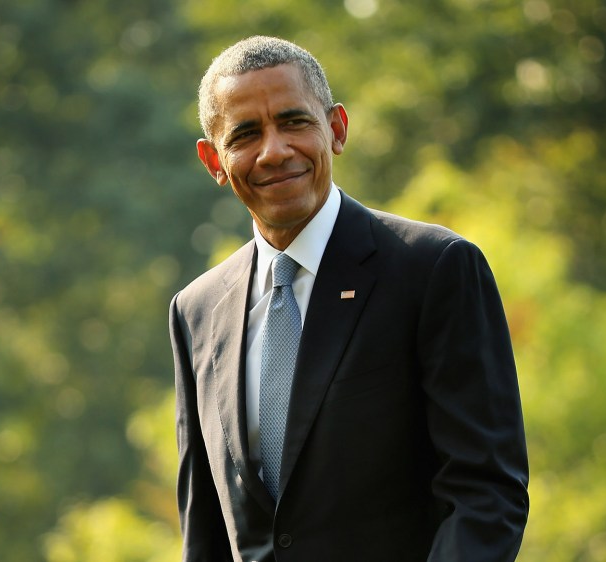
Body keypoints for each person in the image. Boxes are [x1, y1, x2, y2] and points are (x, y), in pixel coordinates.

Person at [168, 35, 528, 562]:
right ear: (214, 161)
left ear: (336, 129)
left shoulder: (432, 268)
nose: (274, 150)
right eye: (245, 134)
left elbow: (485, 492)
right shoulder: (194, 312)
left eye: (294, 122)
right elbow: (205, 533)